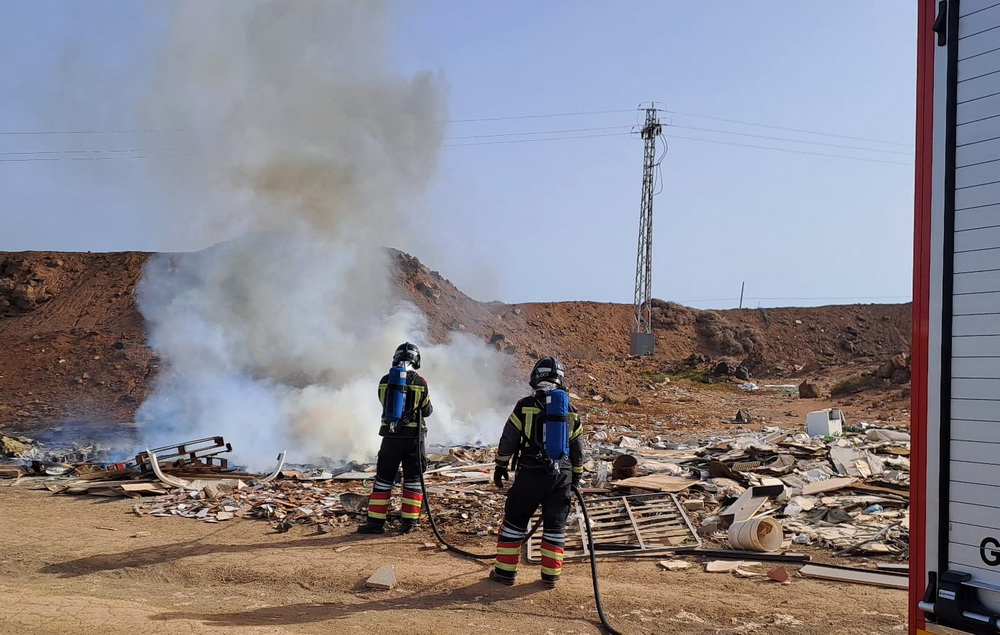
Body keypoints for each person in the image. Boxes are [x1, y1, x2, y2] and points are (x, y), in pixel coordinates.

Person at [489, 357, 584, 588]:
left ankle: (505, 573)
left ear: (535, 377)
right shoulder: (570, 409)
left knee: (515, 522)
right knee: (555, 527)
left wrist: (501, 465)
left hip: (530, 473)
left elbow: (509, 439)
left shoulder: (524, 405)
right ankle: (551, 576)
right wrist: (576, 477)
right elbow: (578, 449)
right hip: (561, 476)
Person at [357, 342, 433, 535]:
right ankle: (409, 524)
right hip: (413, 440)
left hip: (390, 439)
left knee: (383, 480)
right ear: (417, 360)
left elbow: (383, 403)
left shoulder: (385, 381)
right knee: (413, 481)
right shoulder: (420, 382)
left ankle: (375, 524)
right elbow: (427, 410)